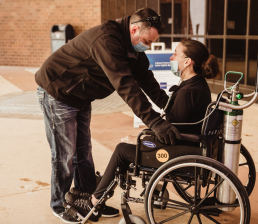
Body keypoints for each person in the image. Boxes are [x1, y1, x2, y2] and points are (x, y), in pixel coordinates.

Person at [36, 7, 182, 224]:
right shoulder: (107, 39)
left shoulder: (133, 49)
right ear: (134, 30)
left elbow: (146, 80)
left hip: (81, 96)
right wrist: (154, 122)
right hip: (58, 91)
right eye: (147, 41)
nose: (147, 46)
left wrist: (170, 108)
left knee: (83, 152)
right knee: (64, 154)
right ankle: (59, 204)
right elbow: (126, 86)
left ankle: (91, 201)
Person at [65, 38, 220, 220]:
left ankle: (93, 202)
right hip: (190, 145)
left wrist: (144, 140)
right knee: (129, 145)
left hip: (181, 149)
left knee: (122, 150)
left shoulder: (188, 92)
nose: (171, 57)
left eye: (176, 53)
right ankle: (99, 193)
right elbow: (175, 125)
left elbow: (172, 131)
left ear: (187, 62)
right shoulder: (196, 85)